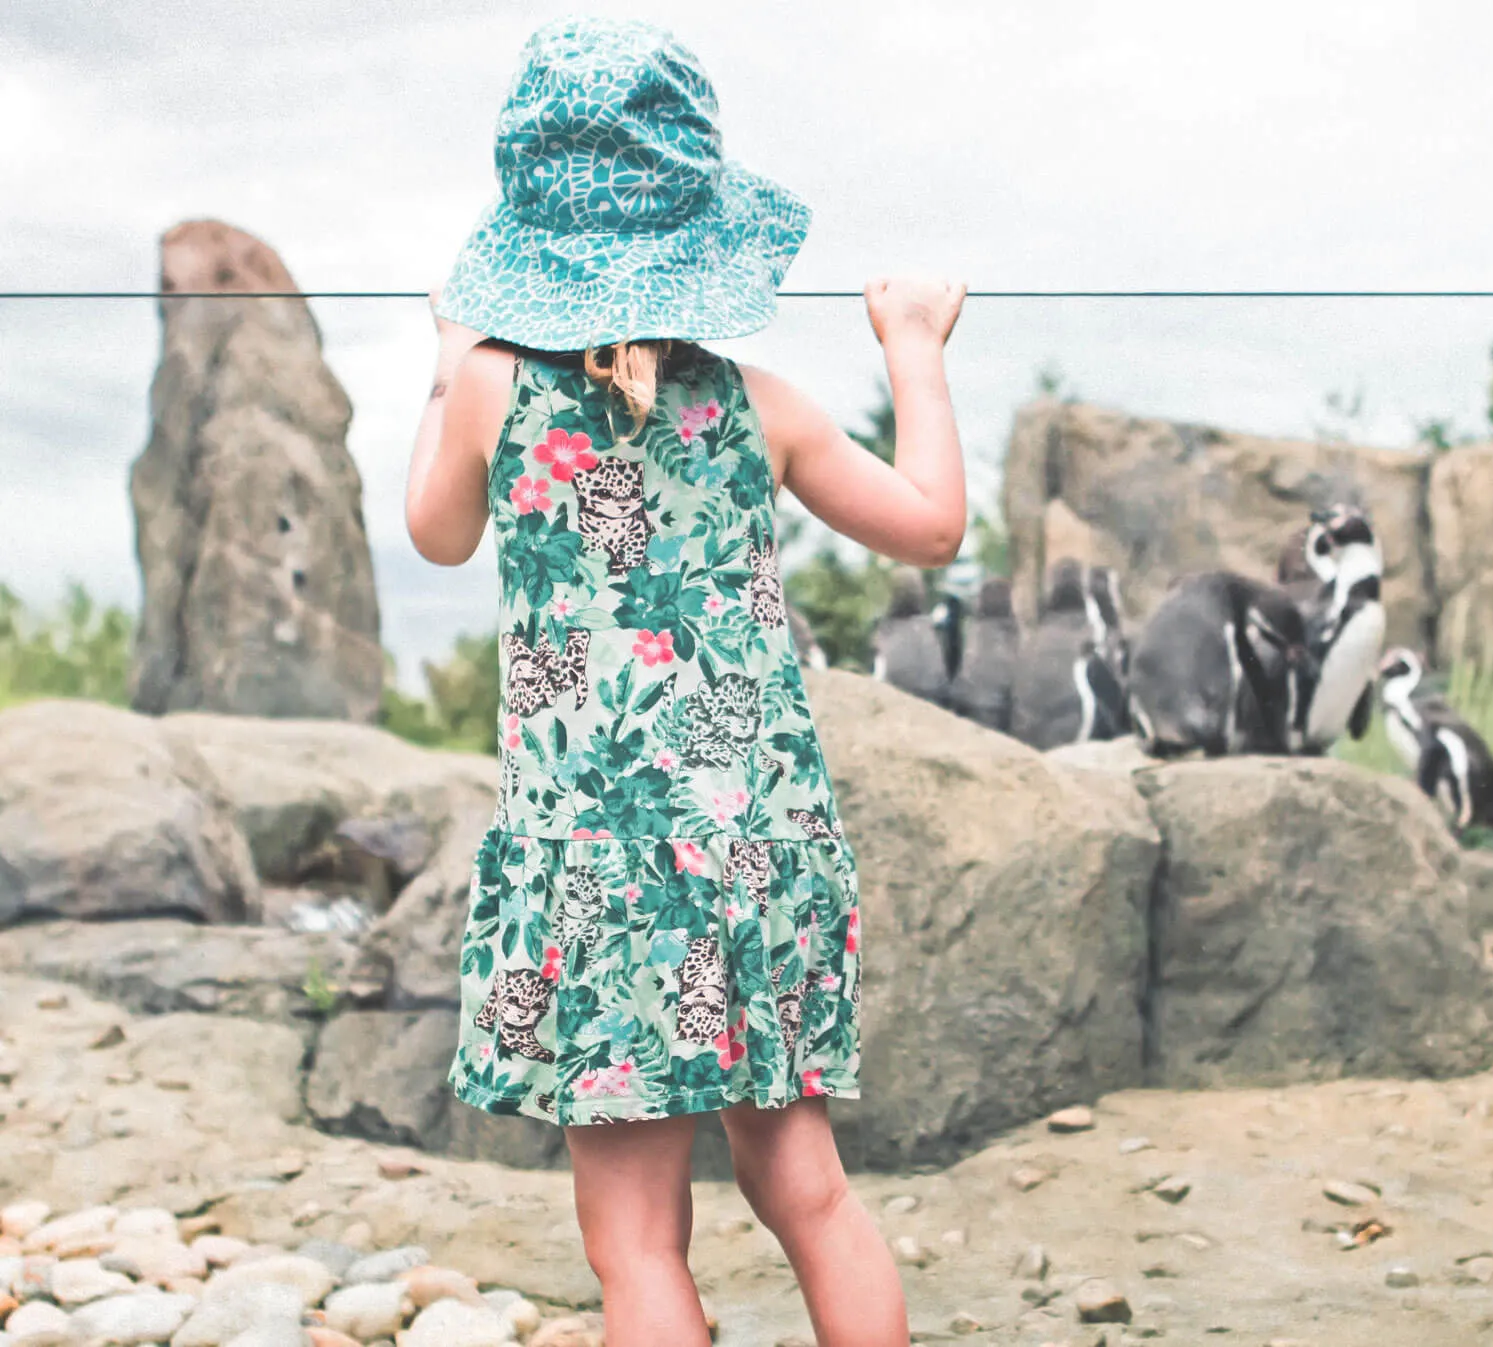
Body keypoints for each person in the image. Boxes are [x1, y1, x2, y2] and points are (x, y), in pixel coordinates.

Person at [402, 19, 966, 1347]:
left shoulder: (492, 394)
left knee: (639, 1247)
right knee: (811, 1190)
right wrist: (916, 347)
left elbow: (435, 532)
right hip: (758, 852)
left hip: (598, 872)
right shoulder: (764, 405)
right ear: (699, 234)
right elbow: (933, 525)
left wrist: (443, 364)